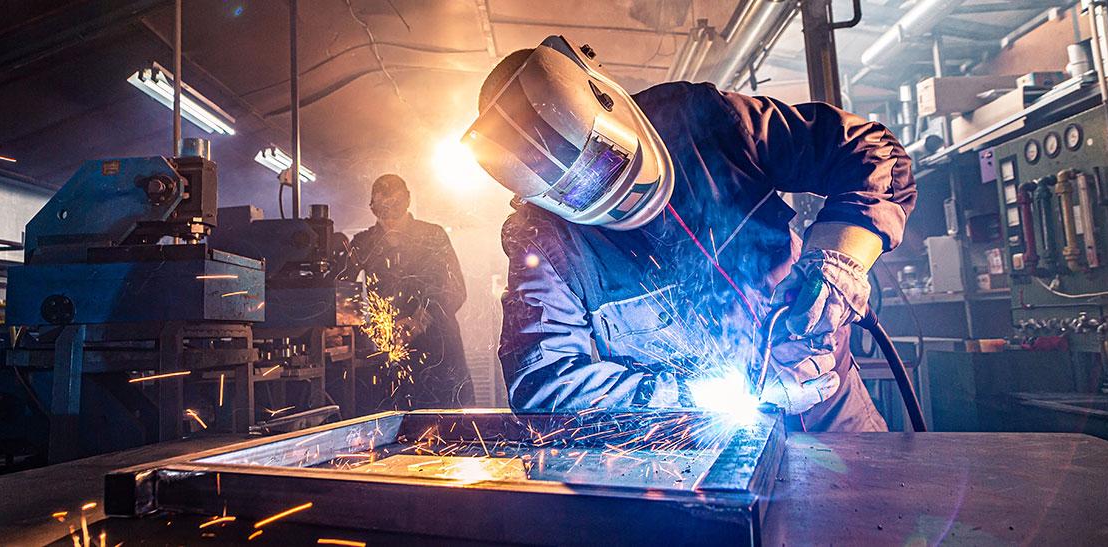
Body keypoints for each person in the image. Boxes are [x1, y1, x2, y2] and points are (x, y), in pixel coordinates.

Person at [464, 36, 915, 431]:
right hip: (701, 456)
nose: (617, 200)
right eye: (577, 195)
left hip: (834, 412)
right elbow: (547, 385)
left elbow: (868, 152)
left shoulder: (702, 120)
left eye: (606, 164)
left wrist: (840, 259)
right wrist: (712, 396)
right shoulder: (544, 241)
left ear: (607, 103)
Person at [348, 174, 474, 409]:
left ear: (407, 200)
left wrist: (419, 320)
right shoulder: (363, 243)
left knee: (449, 427)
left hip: (438, 350)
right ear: (372, 208)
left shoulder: (433, 236)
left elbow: (455, 288)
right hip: (388, 349)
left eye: (395, 204)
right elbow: (340, 289)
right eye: (384, 206)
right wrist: (352, 330)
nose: (390, 213)